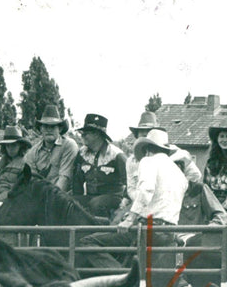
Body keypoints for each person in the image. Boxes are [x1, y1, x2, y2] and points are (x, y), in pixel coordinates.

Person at [80, 129, 188, 274]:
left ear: (148, 149)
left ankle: (121, 276)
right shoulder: (179, 173)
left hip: (147, 229)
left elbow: (146, 190)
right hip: (168, 233)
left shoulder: (148, 161)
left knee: (87, 242)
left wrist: (130, 218)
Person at [114, 111, 201, 224]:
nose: (147, 136)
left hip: (171, 206)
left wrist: (172, 193)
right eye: (143, 134)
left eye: (150, 132)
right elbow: (131, 187)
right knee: (116, 222)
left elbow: (195, 175)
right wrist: (141, 201)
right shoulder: (131, 161)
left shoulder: (178, 154)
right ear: (137, 136)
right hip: (140, 205)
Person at [71, 113, 127, 219]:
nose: (82, 136)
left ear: (96, 134)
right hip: (91, 196)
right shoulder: (81, 154)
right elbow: (77, 181)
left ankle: (102, 230)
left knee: (96, 204)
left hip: (114, 197)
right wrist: (76, 198)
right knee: (71, 203)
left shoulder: (117, 155)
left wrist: (124, 203)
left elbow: (129, 182)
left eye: (85, 133)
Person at [23, 105, 78, 192]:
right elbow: (32, 180)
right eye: (45, 126)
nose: (49, 130)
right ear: (41, 129)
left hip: (63, 197)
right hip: (40, 196)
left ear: (60, 129)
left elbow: (65, 179)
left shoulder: (69, 146)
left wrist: (51, 199)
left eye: (53, 127)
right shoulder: (33, 152)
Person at [0, 125, 31, 202]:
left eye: (14, 145)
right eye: (7, 146)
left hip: (13, 200)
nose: (10, 149)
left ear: (21, 146)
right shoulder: (1, 162)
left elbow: (22, 188)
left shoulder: (25, 164)